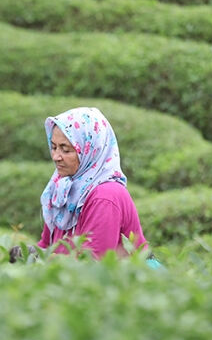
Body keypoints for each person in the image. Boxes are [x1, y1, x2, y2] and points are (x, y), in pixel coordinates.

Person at [36, 107, 148, 259]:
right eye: (54, 147)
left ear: (90, 150)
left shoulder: (105, 197)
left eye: (66, 150)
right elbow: (46, 245)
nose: (56, 156)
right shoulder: (62, 187)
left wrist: (40, 257)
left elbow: (92, 263)